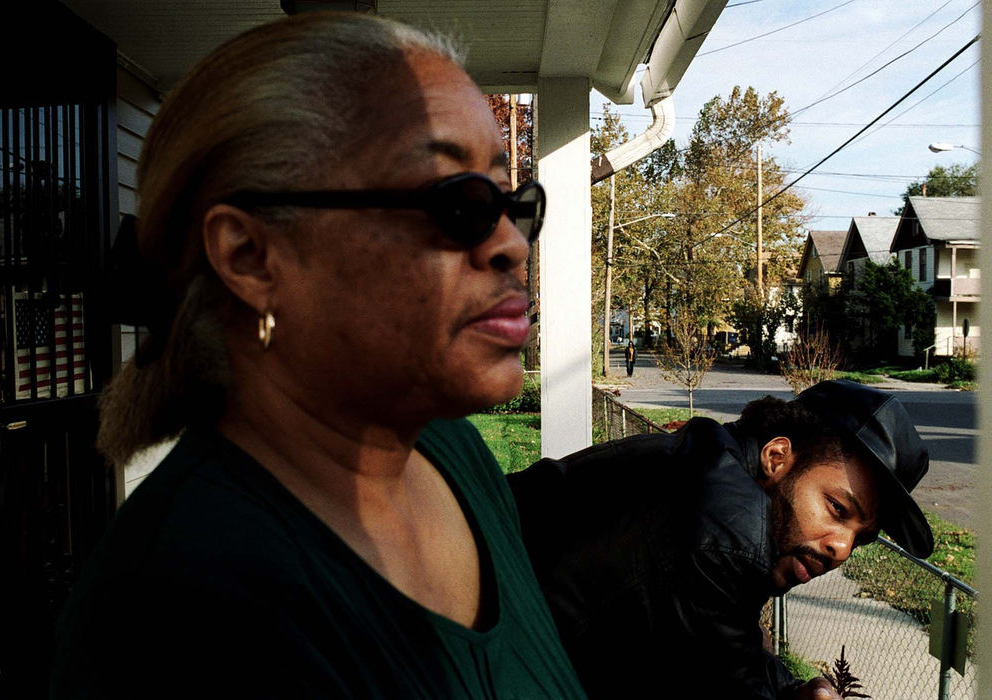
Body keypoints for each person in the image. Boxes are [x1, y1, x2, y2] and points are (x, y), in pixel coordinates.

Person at [50, 13, 585, 698]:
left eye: (512, 200)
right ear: (251, 257)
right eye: (458, 201)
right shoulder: (178, 618)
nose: (511, 241)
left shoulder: (454, 457)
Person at [508, 379, 933, 700]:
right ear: (777, 457)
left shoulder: (709, 462)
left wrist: (787, 689)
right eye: (838, 510)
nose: (840, 549)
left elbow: (731, 656)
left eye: (861, 539)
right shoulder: (727, 536)